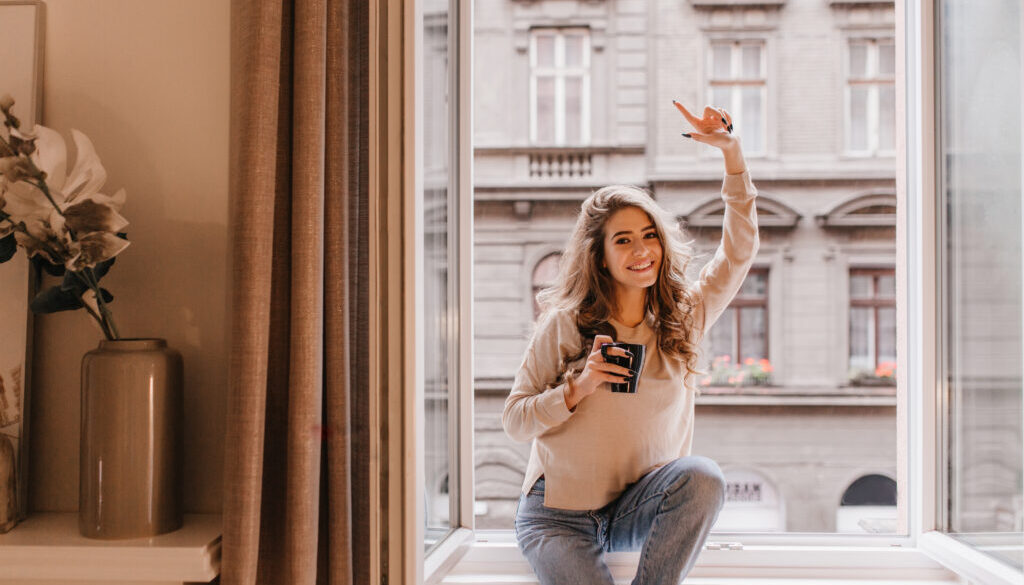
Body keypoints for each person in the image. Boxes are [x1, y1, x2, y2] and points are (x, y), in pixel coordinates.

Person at [502, 102, 759, 585]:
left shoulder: (685, 318)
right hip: (557, 515)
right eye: (623, 241)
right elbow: (514, 420)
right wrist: (576, 389)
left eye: (649, 236)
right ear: (599, 257)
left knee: (703, 476)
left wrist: (732, 154)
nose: (641, 251)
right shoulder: (565, 323)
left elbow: (739, 252)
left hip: (635, 509)